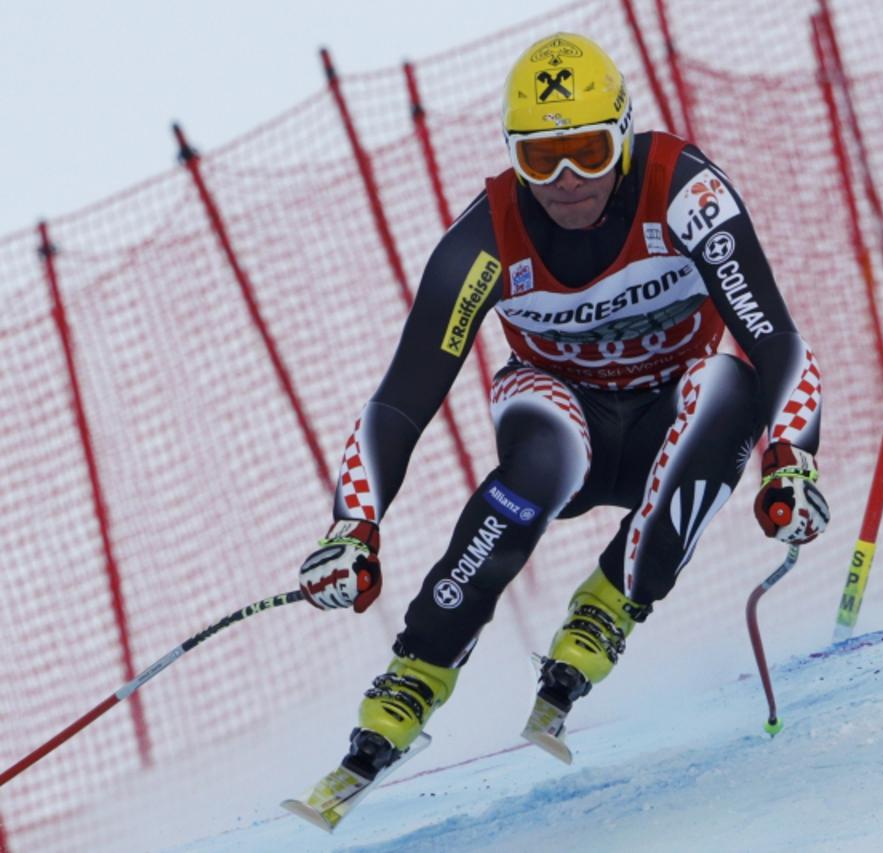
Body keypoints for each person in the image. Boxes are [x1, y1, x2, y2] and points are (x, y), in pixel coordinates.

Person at [297, 32, 829, 777]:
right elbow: (403, 396)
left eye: (590, 151)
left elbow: (771, 333)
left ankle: (612, 601)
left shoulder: (685, 191)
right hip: (560, 414)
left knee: (731, 384)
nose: (570, 180)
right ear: (515, 158)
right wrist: (355, 526)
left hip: (668, 420)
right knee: (545, 453)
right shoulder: (485, 238)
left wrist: (793, 459)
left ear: (624, 135)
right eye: (542, 160)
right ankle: (415, 673)